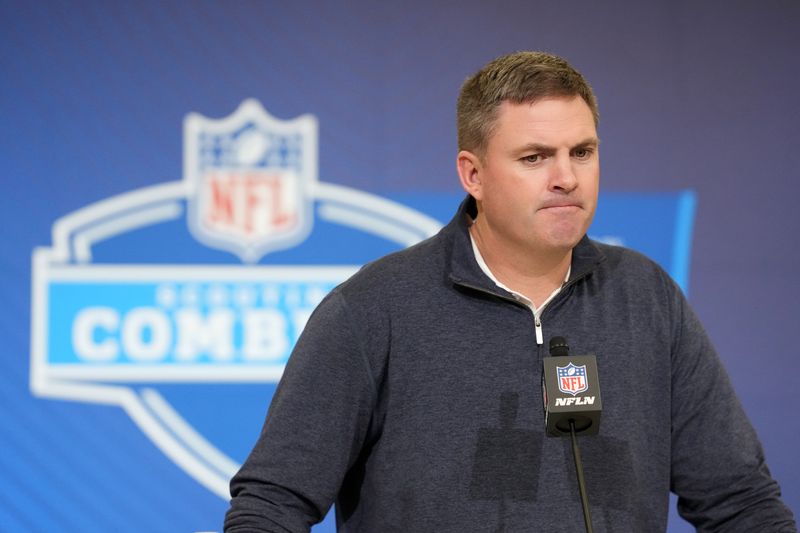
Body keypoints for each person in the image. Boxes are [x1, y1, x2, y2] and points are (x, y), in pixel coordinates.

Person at [224, 51, 796, 532]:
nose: (566, 178)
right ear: (473, 175)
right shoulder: (375, 308)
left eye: (582, 152)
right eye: (534, 158)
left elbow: (740, 502)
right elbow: (270, 506)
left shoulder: (647, 297)